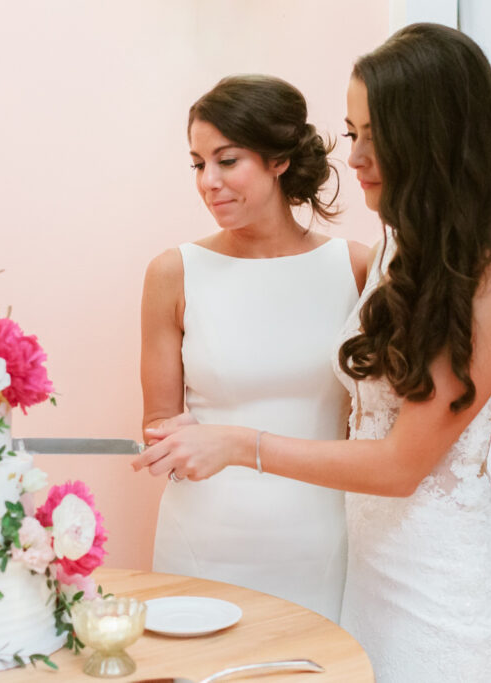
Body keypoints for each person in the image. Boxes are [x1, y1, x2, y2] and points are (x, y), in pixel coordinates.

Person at [134, 24, 491, 681]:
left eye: (373, 135)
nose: (354, 157)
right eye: (353, 135)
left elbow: (407, 459)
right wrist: (476, 394)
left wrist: (239, 443)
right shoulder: (394, 252)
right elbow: (398, 386)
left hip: (437, 585)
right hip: (367, 574)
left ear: (428, 133)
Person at [140, 74, 369, 622]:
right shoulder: (174, 273)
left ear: (279, 160)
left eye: (227, 160)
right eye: (198, 164)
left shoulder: (357, 268)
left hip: (320, 538)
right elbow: (158, 424)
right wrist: (170, 442)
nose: (209, 182)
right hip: (202, 539)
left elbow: (385, 416)